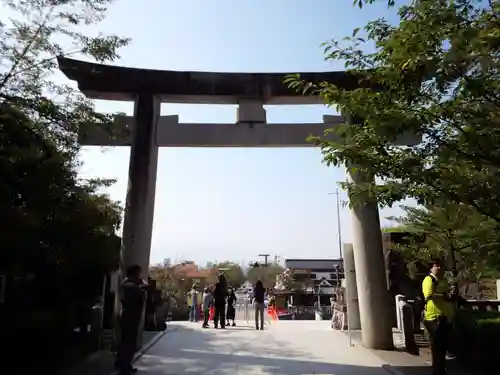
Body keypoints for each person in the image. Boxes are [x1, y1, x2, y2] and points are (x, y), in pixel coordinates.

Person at [422, 259, 455, 375]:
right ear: (431, 268)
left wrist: (450, 296)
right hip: (434, 317)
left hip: (445, 316)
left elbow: (446, 295)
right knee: (437, 347)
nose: (439, 268)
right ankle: (437, 372)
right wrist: (443, 297)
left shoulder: (442, 281)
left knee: (443, 347)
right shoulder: (428, 280)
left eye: (440, 265)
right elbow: (428, 296)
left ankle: (441, 370)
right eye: (436, 266)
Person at [114, 265, 147, 374]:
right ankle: (125, 365)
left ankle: (121, 362)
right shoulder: (129, 286)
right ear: (134, 274)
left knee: (125, 341)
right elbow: (135, 298)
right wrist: (142, 288)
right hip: (129, 317)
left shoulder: (127, 284)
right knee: (129, 342)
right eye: (138, 274)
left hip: (128, 317)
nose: (140, 276)